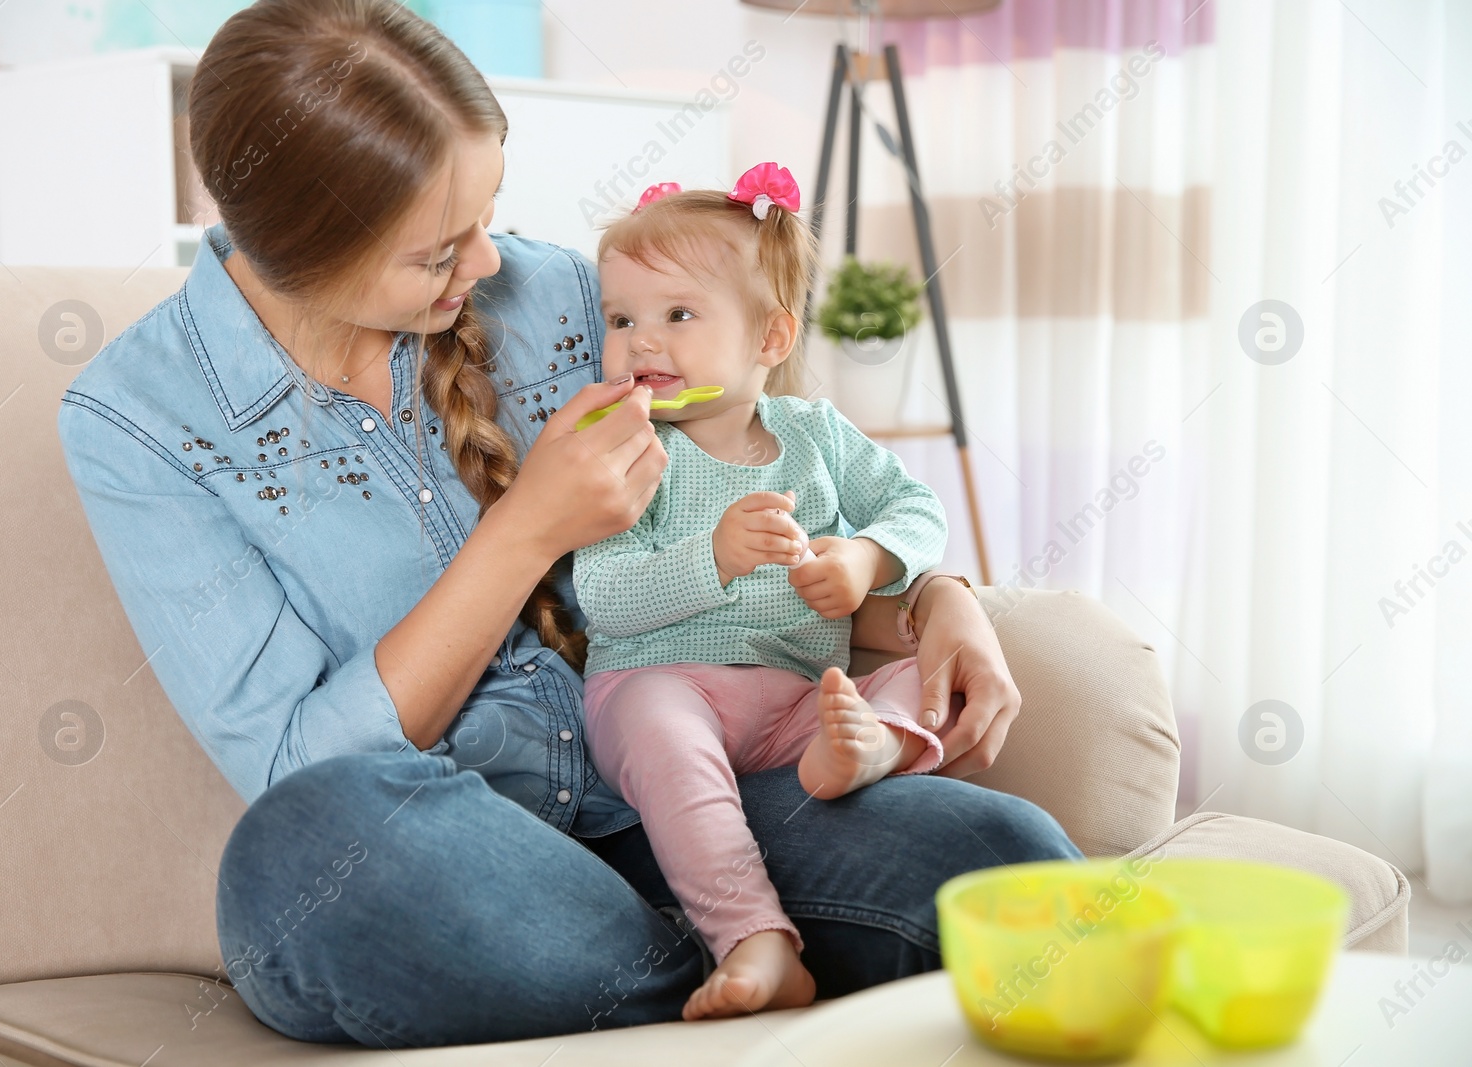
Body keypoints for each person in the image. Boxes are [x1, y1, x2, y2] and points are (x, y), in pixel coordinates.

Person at [57, 0, 1080, 1049]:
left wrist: (933, 603)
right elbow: (298, 762)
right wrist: (525, 531)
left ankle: (722, 950)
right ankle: (715, 955)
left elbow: (766, 505)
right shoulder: (139, 422)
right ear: (301, 257)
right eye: (440, 251)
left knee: (1010, 852)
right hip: (465, 861)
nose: (491, 266)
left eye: (486, 217)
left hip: (683, 793)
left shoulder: (573, 298)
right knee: (306, 852)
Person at [576, 167, 958, 1020]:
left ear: (771, 339)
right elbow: (602, 595)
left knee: (900, 682)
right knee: (660, 723)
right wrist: (711, 555)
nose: (641, 342)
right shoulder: (621, 442)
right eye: (620, 318)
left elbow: (918, 508)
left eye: (677, 314)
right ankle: (755, 938)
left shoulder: (813, 434)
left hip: (793, 706)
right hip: (661, 684)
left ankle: (876, 747)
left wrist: (865, 558)